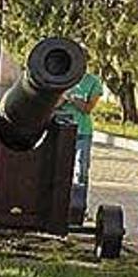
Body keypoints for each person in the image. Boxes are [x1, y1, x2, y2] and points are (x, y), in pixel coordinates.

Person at [56, 67, 103, 202]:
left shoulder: (93, 82)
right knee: (59, 169)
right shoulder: (60, 79)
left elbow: (87, 108)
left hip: (82, 132)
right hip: (61, 129)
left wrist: (70, 98)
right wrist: (64, 99)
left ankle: (78, 203)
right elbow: (54, 104)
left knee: (81, 170)